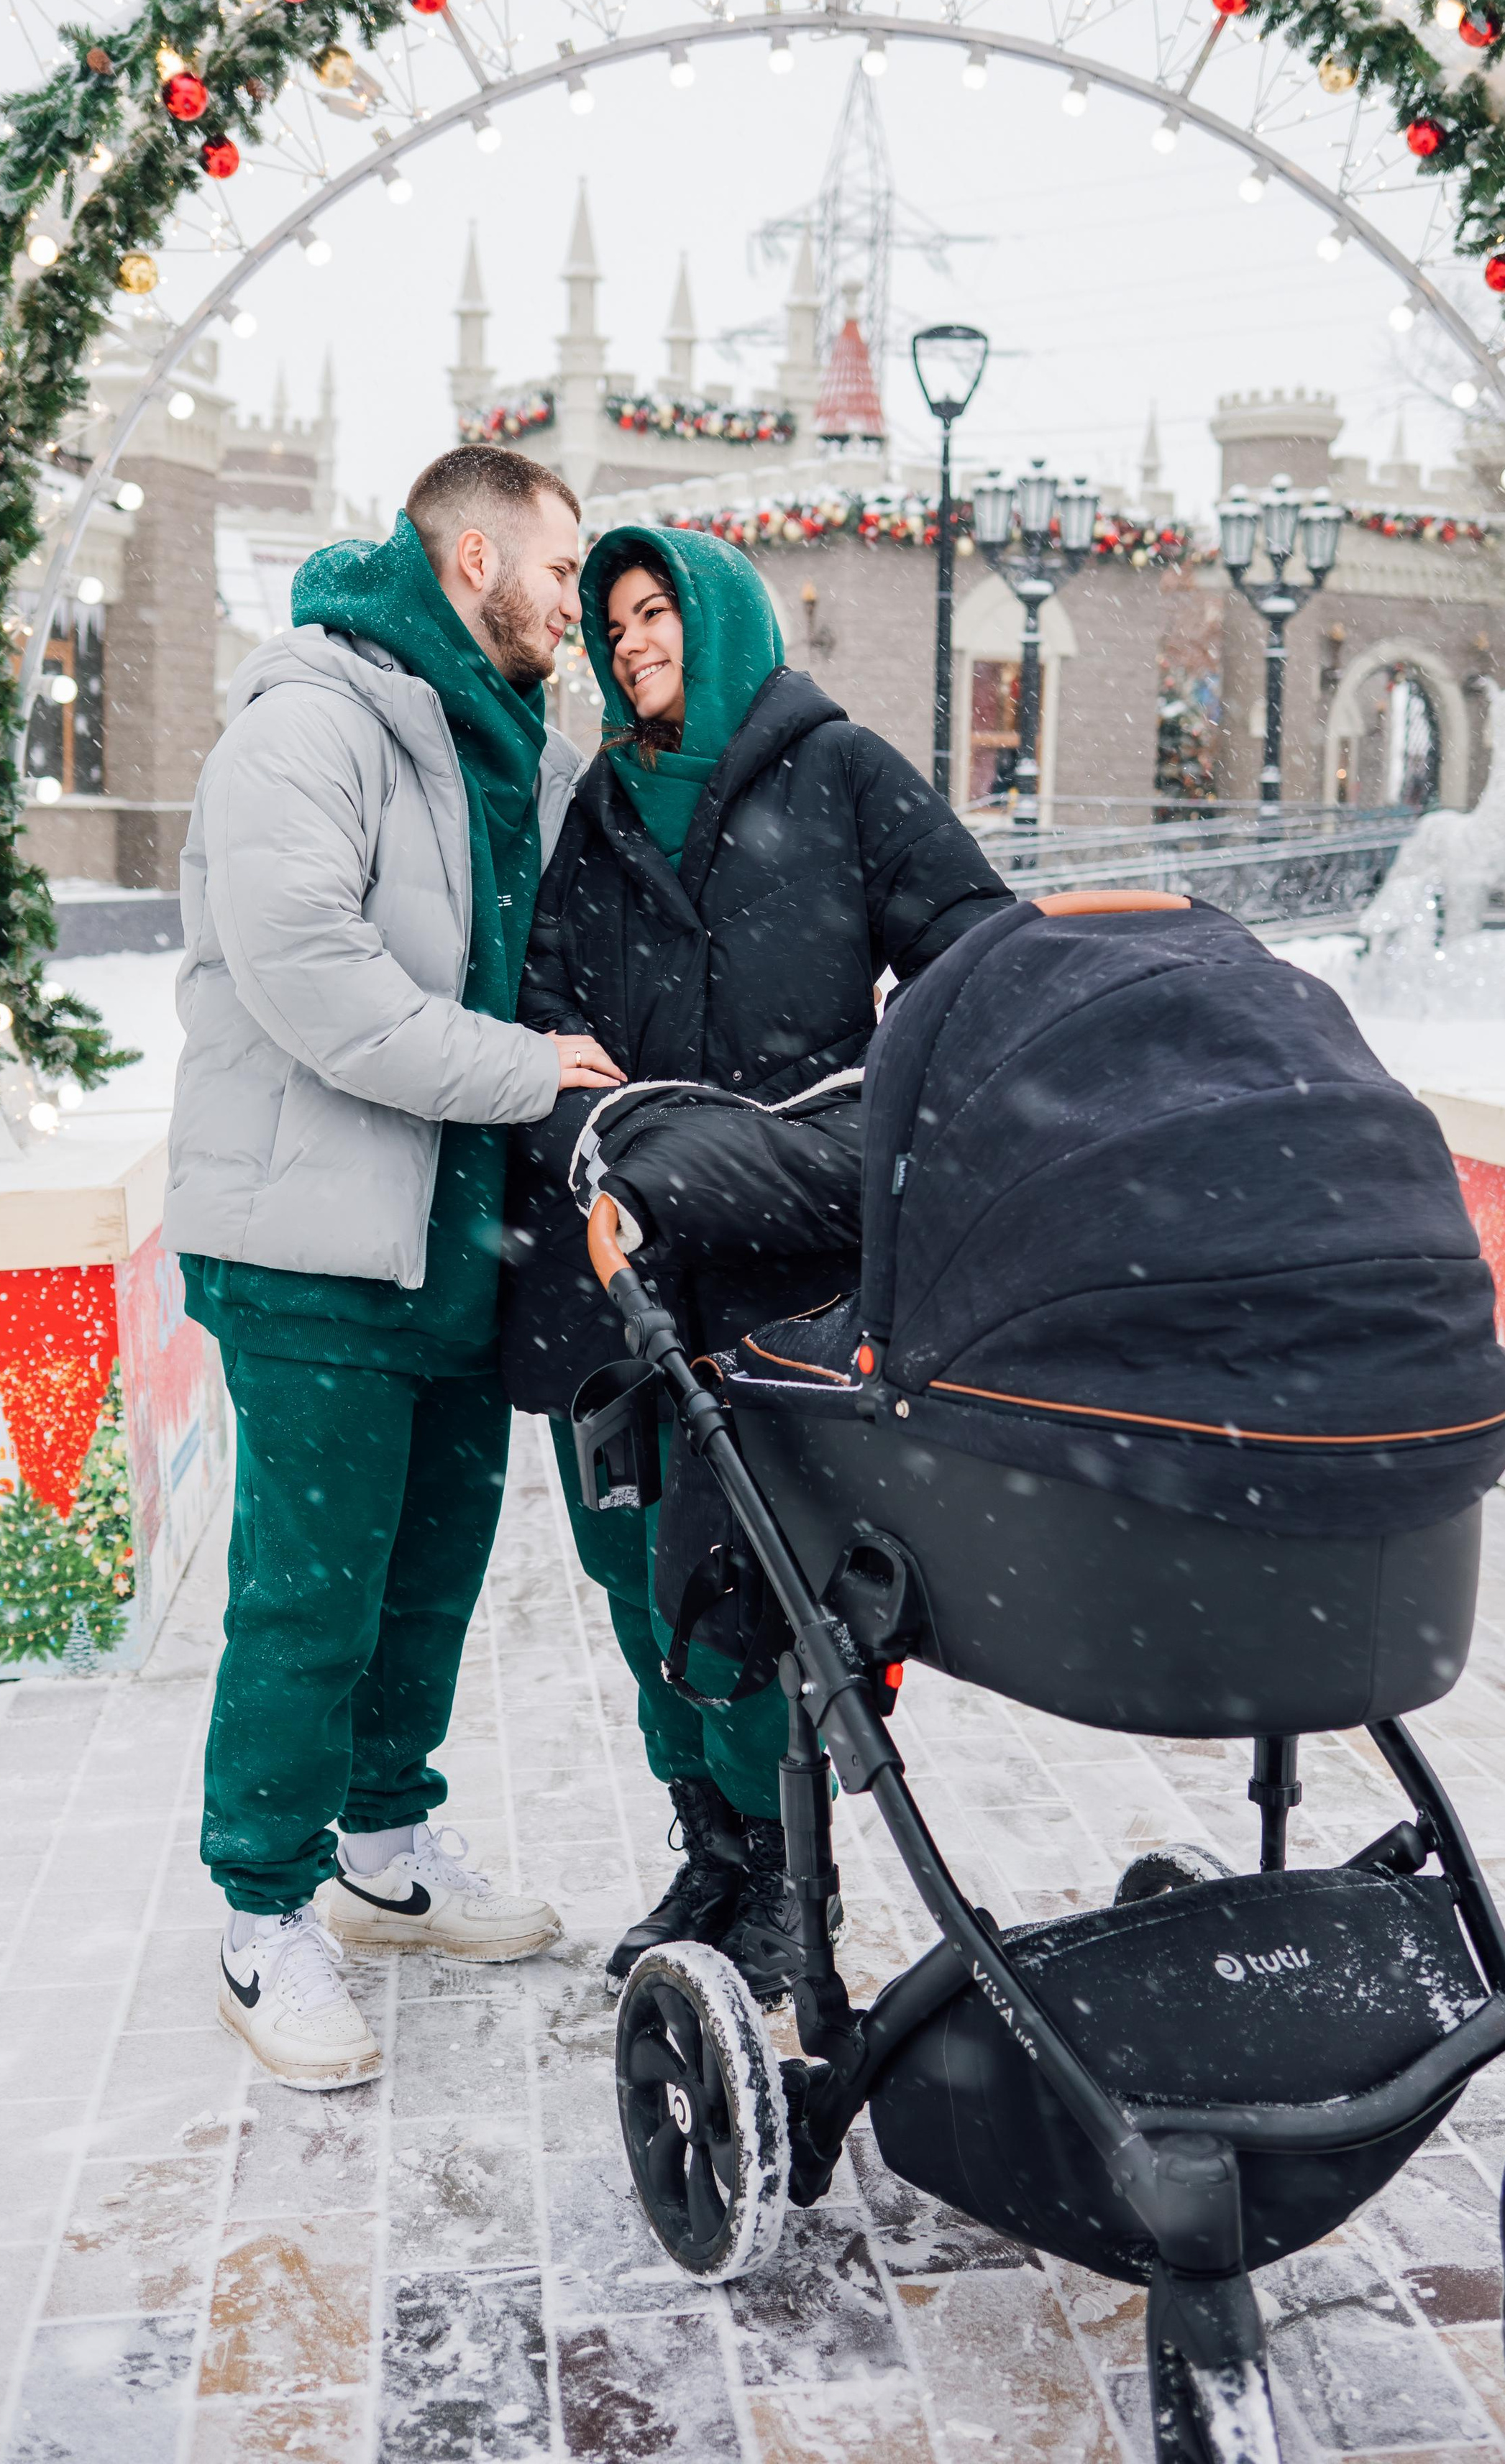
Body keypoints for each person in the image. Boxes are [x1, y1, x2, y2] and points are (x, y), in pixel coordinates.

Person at [164, 446, 625, 2092]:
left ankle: (384, 1847)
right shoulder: (317, 720)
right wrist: (532, 1072)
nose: (576, 610)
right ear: (476, 555)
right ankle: (260, 1908)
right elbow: (313, 978)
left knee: (424, 1578)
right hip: (312, 1249)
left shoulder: (505, 744)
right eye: (563, 574)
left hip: (452, 1241)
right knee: (309, 1594)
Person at [503, 526, 1012, 2002]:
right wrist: (599, 1131)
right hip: (624, 1259)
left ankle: (794, 1877)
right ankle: (713, 1844)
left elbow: (974, 952)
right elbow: (547, 1010)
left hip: (788, 1254)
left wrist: (858, 1112)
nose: (631, 642)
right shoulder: (599, 810)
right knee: (631, 1569)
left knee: (771, 1581)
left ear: (715, 618)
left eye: (656, 612)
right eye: (611, 625)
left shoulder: (840, 773)